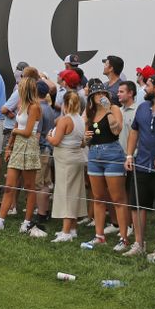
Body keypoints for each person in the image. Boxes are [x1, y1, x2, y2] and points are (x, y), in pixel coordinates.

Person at [81, 78, 133, 252]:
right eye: (97, 94)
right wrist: (85, 138)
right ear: (91, 97)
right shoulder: (89, 112)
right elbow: (83, 140)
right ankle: (99, 236)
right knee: (98, 197)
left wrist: (107, 108)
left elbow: (116, 130)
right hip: (94, 153)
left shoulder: (114, 108)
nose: (100, 96)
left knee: (118, 198)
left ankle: (124, 237)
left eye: (103, 93)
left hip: (112, 153)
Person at [0, 73, 43, 233]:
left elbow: (26, 132)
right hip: (18, 144)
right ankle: (0, 221)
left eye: (21, 87)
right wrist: (10, 147)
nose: (18, 89)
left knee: (29, 186)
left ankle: (26, 221)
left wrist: (13, 134)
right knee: (9, 185)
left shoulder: (34, 107)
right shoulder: (22, 105)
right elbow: (18, 127)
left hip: (29, 145)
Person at [48, 88, 87, 241]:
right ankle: (72, 228)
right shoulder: (80, 120)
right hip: (76, 157)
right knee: (75, 192)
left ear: (64, 103)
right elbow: (83, 143)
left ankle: (66, 232)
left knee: (66, 194)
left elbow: (56, 141)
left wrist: (48, 136)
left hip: (66, 160)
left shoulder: (65, 120)